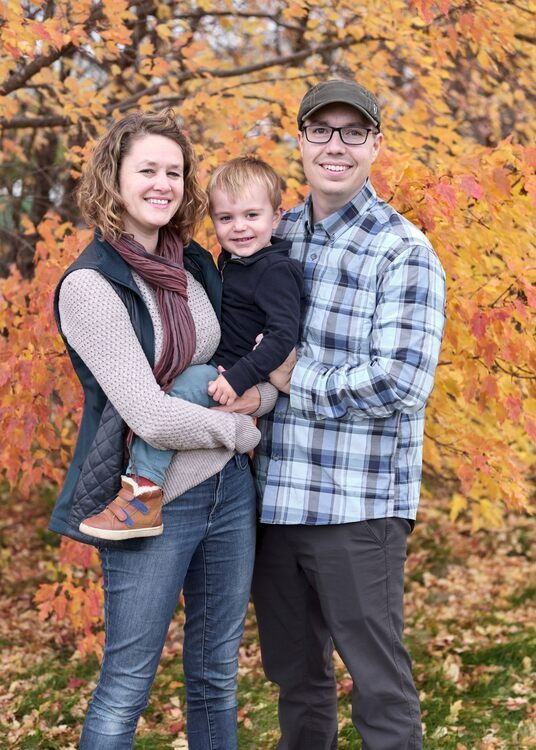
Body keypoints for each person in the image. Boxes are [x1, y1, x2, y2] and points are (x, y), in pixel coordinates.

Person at [48, 109, 277, 749]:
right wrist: (242, 430)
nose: (163, 183)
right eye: (147, 169)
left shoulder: (197, 265)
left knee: (215, 678)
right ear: (113, 179)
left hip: (228, 495)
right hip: (148, 503)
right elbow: (149, 415)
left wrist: (257, 397)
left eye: (173, 171)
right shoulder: (91, 286)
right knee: (126, 684)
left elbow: (240, 362)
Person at [251, 79, 447, 749]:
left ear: (375, 145)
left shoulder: (404, 251)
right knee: (296, 683)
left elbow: (402, 383)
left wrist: (295, 377)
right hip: (273, 506)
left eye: (353, 132)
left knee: (379, 687)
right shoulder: (272, 237)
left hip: (356, 511)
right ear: (299, 139)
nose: (336, 145)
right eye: (321, 130)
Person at [78, 156, 303, 540]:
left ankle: (142, 492)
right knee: (177, 391)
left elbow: (283, 337)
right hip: (225, 375)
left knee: (181, 388)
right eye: (226, 219)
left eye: (252, 215)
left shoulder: (275, 270)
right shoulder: (226, 262)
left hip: (229, 372)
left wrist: (240, 378)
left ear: (277, 217)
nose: (240, 228)